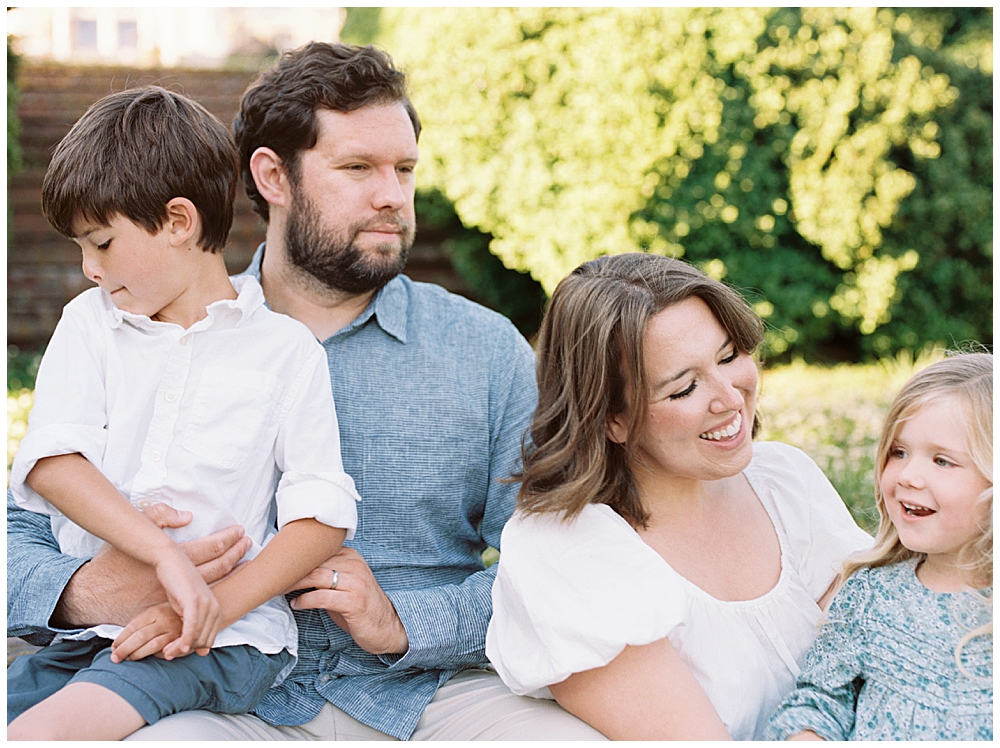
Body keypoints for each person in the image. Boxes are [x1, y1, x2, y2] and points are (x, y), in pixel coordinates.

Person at [6, 43, 604, 740]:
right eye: (357, 168)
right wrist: (87, 591)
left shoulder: (487, 350)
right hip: (210, 692)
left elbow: (560, 567)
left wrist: (407, 624)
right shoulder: (133, 324)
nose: (392, 194)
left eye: (404, 170)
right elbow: (21, 526)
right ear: (272, 176)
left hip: (429, 696)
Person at [6, 87, 360, 740]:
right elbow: (55, 463)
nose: (88, 268)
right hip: (90, 633)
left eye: (103, 242)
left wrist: (211, 608)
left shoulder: (285, 353)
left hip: (222, 642)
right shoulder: (90, 325)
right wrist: (161, 558)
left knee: (46, 733)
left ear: (178, 222)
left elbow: (322, 519)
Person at [485, 252, 874, 740]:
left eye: (729, 356)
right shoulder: (565, 550)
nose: (730, 398)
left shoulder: (784, 478)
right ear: (611, 419)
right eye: (684, 388)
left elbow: (876, 663)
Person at [767, 353, 993, 741]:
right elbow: (823, 699)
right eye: (898, 452)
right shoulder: (871, 595)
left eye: (942, 461)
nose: (908, 476)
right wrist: (807, 734)